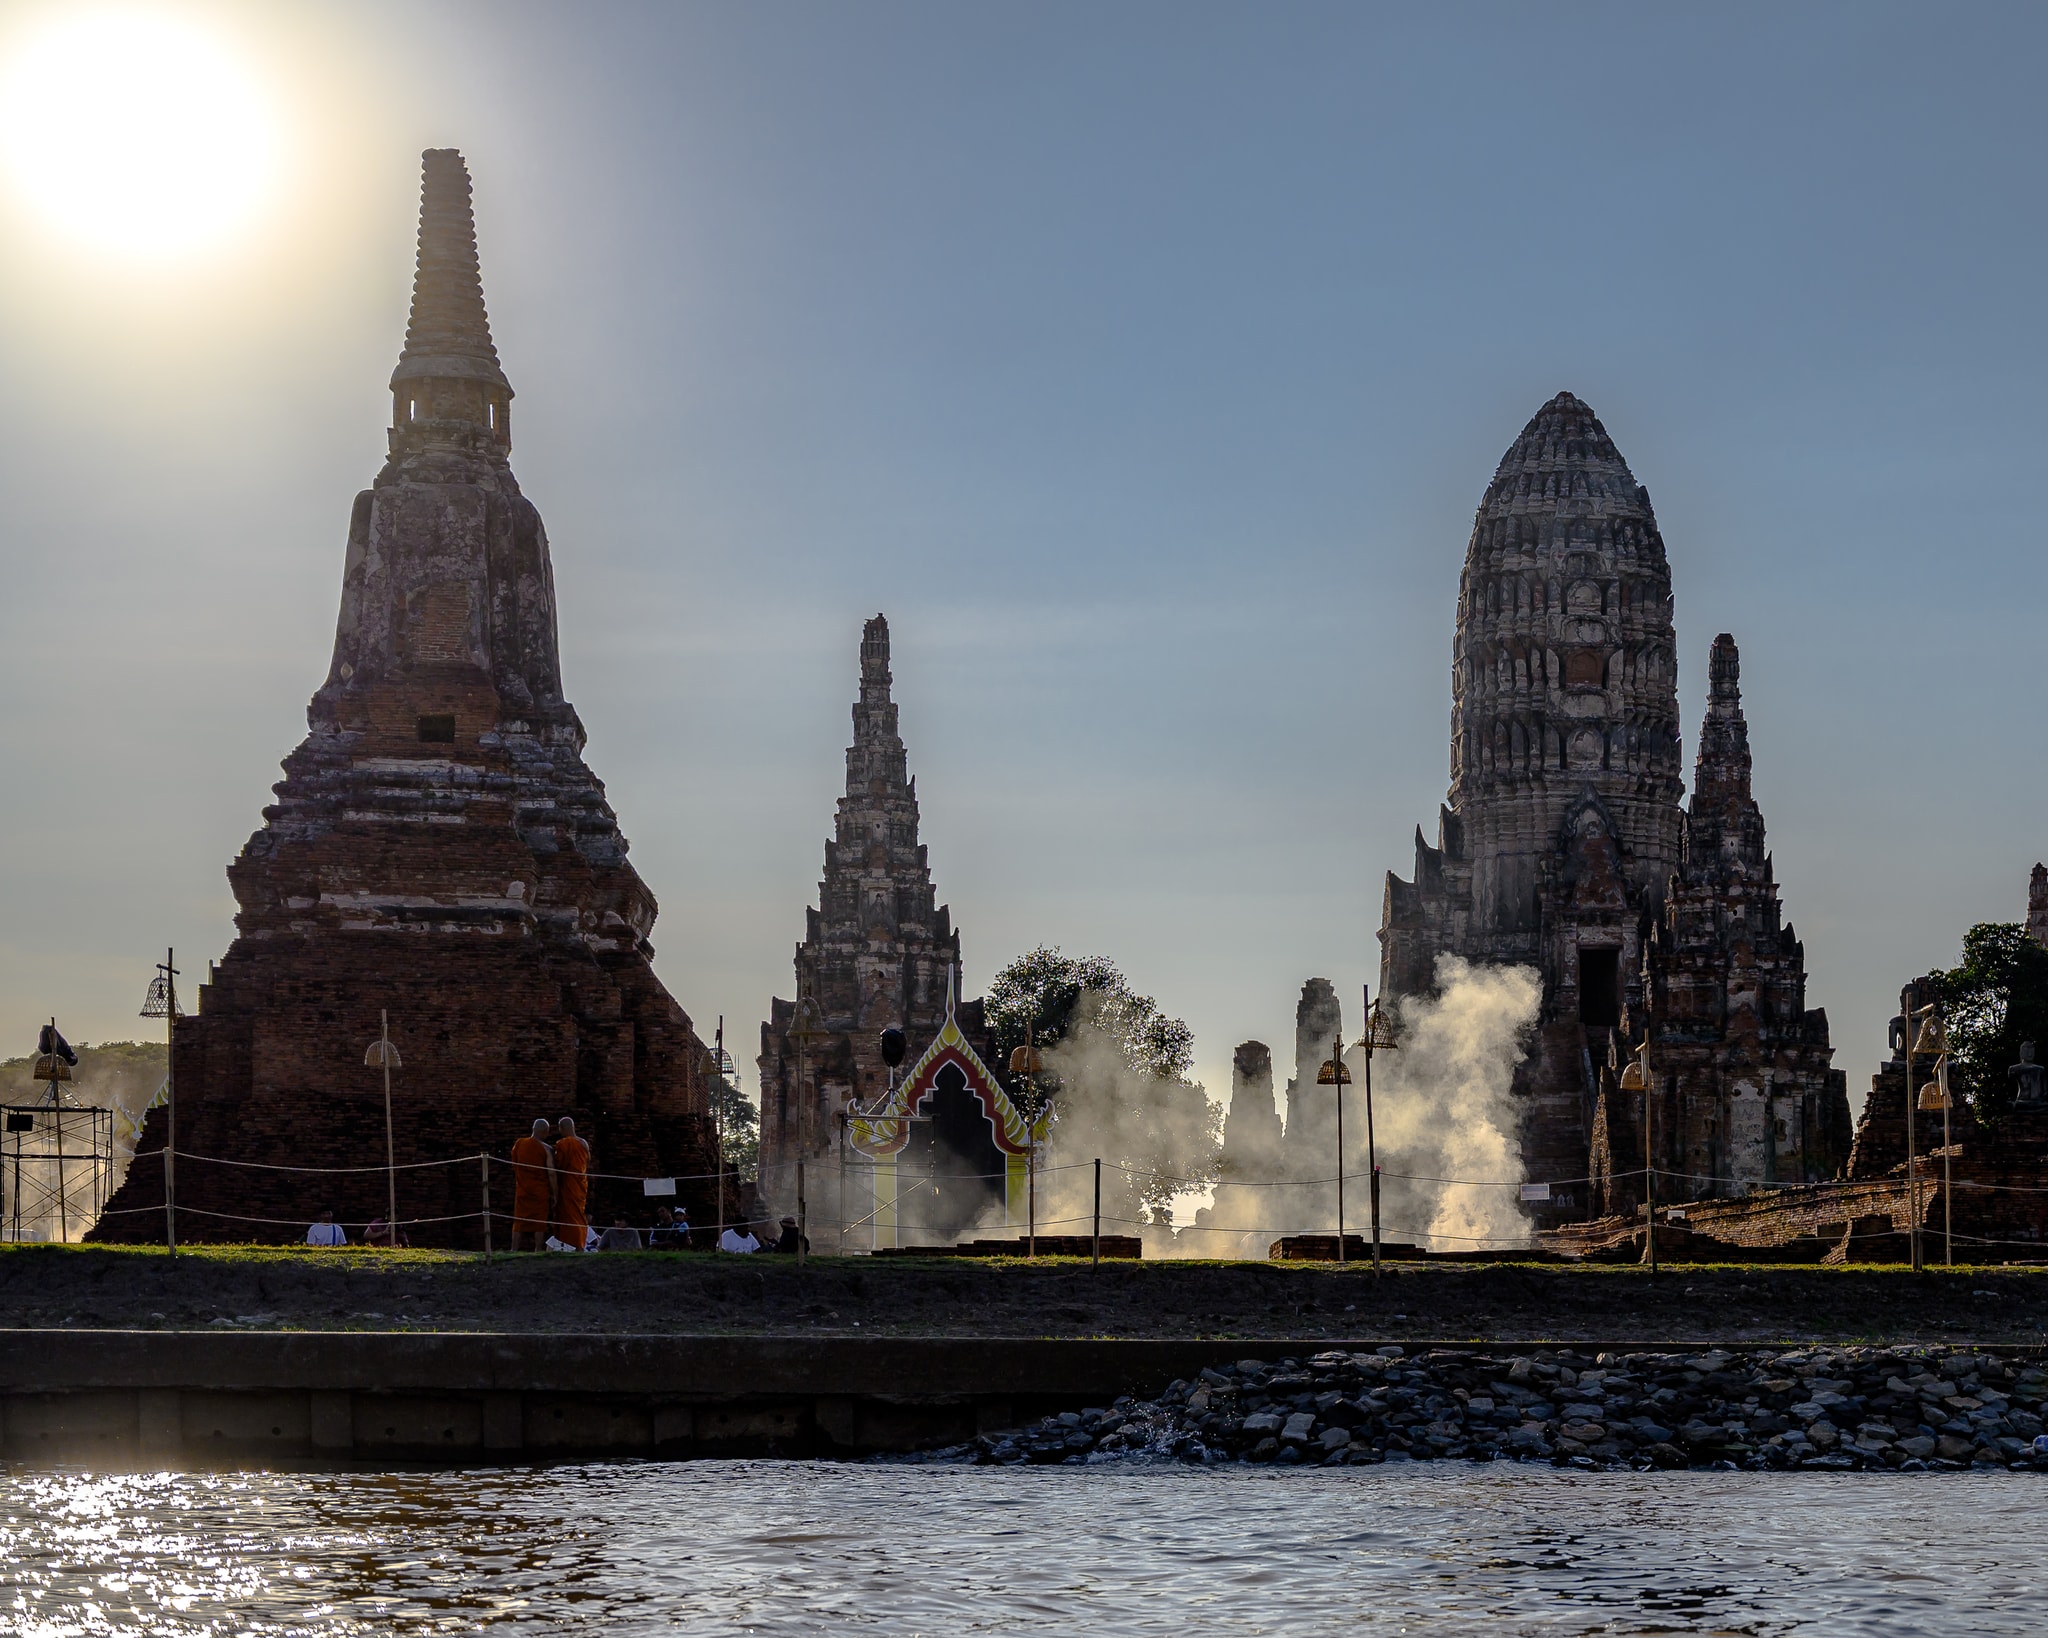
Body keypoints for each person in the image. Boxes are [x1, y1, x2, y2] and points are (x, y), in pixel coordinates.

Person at [509, 1118, 555, 1252]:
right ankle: (537, 1249)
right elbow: (551, 1173)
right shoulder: (546, 1148)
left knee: (519, 1221)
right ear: (546, 1132)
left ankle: (514, 1248)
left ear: (533, 1129)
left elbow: (514, 1165)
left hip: (523, 1188)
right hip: (540, 1191)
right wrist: (555, 1192)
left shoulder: (519, 1144)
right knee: (539, 1222)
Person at [553, 1115, 591, 1253]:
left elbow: (559, 1165)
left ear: (561, 1128)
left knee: (571, 1216)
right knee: (578, 1215)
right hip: (580, 1182)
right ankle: (578, 1244)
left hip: (569, 1183)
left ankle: (577, 1246)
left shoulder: (564, 1144)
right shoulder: (583, 1143)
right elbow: (586, 1162)